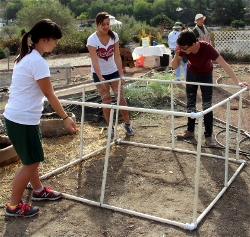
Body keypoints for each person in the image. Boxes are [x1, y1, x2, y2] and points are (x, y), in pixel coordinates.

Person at [3, 19, 76, 217]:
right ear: (44, 39)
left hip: (19, 117)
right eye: (55, 40)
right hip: (22, 119)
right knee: (31, 162)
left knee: (31, 159)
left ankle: (38, 191)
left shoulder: (26, 57)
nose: (56, 43)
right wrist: (65, 118)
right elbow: (50, 94)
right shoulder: (37, 61)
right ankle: (13, 207)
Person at [171, 30, 249, 146]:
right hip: (192, 73)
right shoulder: (183, 48)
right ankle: (190, 131)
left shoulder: (207, 48)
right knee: (191, 102)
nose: (182, 49)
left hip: (206, 75)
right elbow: (173, 66)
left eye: (184, 48)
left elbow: (224, 64)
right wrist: (177, 55)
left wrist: (237, 82)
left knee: (207, 105)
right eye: (181, 47)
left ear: (193, 44)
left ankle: (208, 137)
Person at [87, 12, 134, 137]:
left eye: (108, 24)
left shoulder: (114, 37)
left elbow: (117, 56)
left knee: (121, 99)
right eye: (103, 24)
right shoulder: (92, 40)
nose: (106, 27)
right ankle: (110, 127)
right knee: (106, 100)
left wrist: (121, 74)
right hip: (99, 73)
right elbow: (94, 60)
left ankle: (127, 124)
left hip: (113, 71)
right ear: (97, 24)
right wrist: (100, 77)